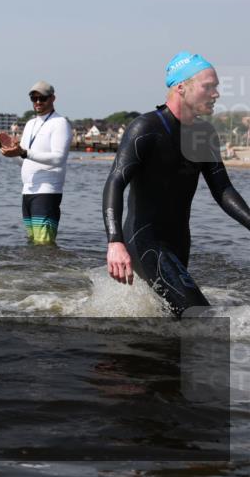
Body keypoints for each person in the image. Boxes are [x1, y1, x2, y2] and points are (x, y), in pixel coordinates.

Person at [103, 52, 250, 315]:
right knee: (201, 318)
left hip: (179, 242)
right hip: (145, 239)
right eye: (209, 86)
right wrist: (115, 242)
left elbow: (223, 190)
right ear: (181, 87)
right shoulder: (145, 128)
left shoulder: (204, 134)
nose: (216, 94)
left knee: (177, 321)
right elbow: (115, 182)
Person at [0, 81, 72, 245]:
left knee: (44, 244)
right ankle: (34, 271)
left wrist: (24, 152)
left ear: (53, 98)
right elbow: (23, 161)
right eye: (34, 98)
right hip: (28, 191)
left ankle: (51, 271)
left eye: (42, 98)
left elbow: (58, 158)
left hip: (47, 191)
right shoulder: (30, 124)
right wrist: (12, 152)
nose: (38, 102)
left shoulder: (60, 123)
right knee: (32, 242)